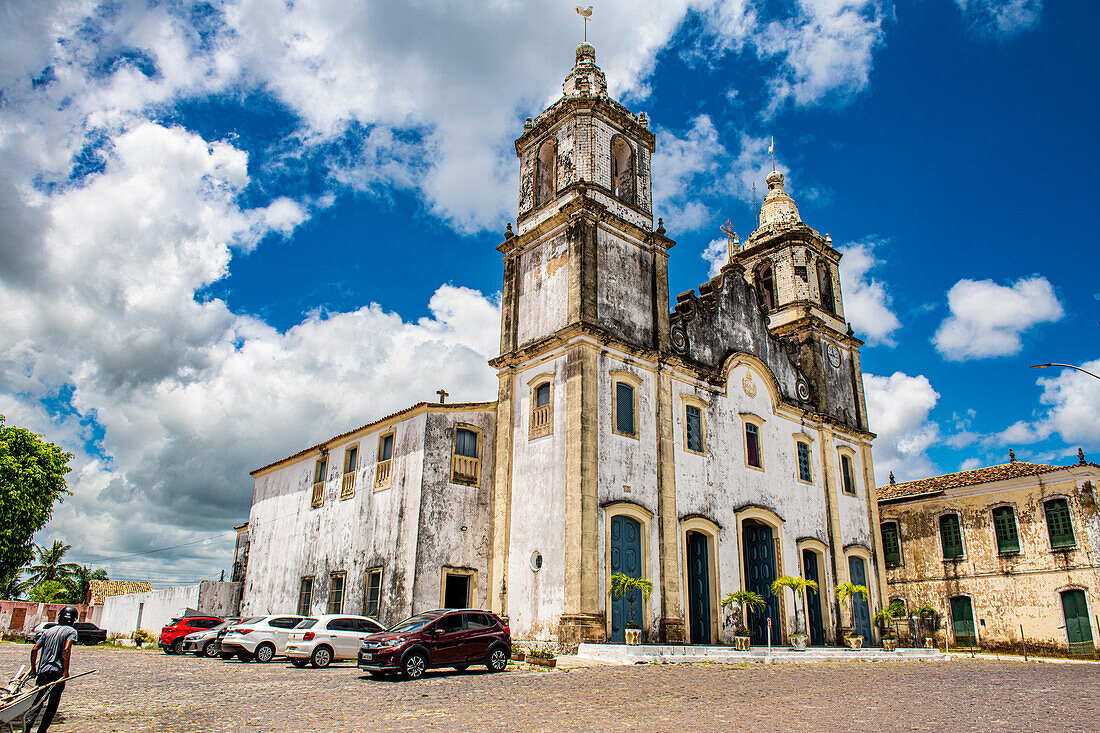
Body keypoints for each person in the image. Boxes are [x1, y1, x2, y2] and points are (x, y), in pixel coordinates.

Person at [28, 605, 79, 732]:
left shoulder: (47, 631)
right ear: (74, 619)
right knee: (52, 704)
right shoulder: (71, 632)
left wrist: (34, 669)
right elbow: (66, 650)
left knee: (38, 702)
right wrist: (66, 672)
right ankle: (42, 730)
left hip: (43, 672)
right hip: (57, 673)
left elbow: (34, 648)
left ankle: (27, 726)